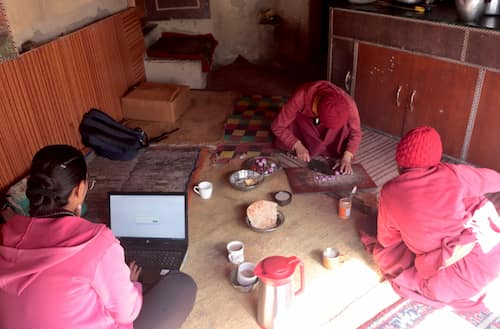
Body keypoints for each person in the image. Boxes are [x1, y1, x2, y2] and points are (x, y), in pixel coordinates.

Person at [0, 145, 197, 329]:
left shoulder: (6, 234)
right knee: (181, 285)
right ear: (79, 189)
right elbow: (127, 314)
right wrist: (131, 284)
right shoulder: (97, 242)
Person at [372, 126, 500, 312]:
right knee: (475, 201)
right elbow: (494, 180)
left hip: (445, 282)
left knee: (387, 250)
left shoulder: (389, 192)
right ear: (436, 159)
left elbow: (387, 240)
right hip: (488, 261)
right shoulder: (453, 174)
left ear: (399, 161)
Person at [271, 80, 362, 174]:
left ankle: (327, 146)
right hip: (304, 123)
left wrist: (347, 157)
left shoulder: (349, 104)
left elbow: (356, 133)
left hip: (328, 128)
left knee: (345, 131)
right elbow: (277, 126)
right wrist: (297, 145)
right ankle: (305, 146)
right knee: (286, 136)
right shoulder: (300, 97)